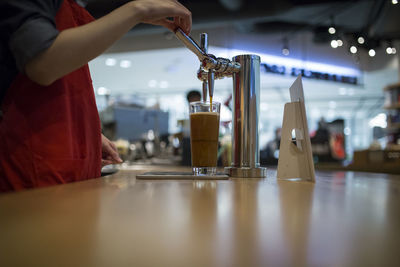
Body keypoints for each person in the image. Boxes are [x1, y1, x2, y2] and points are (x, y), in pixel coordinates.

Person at [0, 0, 192, 192]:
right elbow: (42, 62)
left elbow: (53, 94)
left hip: (68, 183)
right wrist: (138, 10)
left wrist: (86, 136)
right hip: (34, 181)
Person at [181, 90, 201, 166]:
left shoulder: (203, 112)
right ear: (188, 100)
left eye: (197, 99)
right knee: (187, 165)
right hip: (187, 143)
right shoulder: (184, 113)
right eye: (193, 99)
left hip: (200, 141)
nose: (195, 100)